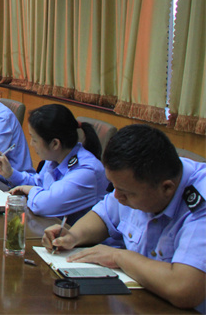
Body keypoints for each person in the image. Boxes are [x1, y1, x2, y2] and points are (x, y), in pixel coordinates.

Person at [42, 124, 205, 312]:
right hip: (141, 301)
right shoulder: (138, 180)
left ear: (166, 188)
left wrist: (118, 257)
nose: (117, 196)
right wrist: (72, 236)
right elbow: (104, 215)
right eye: (114, 187)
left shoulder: (199, 202)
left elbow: (184, 289)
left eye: (127, 193)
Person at [0, 103, 108, 222]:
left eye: (34, 139)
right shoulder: (56, 157)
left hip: (75, 232)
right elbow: (39, 183)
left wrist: (31, 190)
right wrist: (10, 173)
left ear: (55, 144)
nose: (31, 144)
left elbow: (43, 205)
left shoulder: (86, 171)